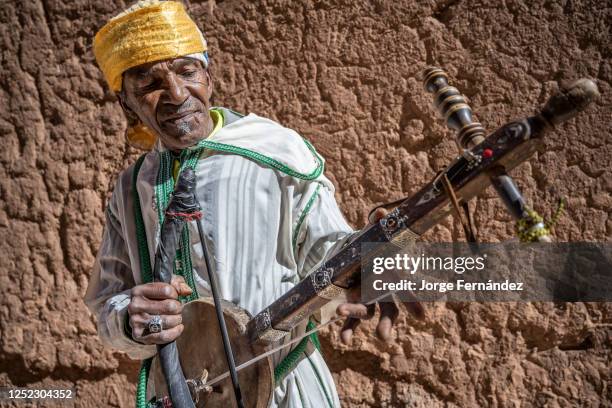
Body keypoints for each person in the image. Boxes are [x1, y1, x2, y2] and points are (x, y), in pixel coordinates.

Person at [85, 1, 418, 407]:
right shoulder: (131, 189)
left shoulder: (276, 152)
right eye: (150, 84)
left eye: (187, 71)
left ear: (208, 75)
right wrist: (130, 318)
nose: (175, 93)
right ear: (126, 103)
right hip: (179, 397)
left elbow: (329, 253)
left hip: (284, 389)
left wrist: (368, 257)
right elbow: (107, 303)